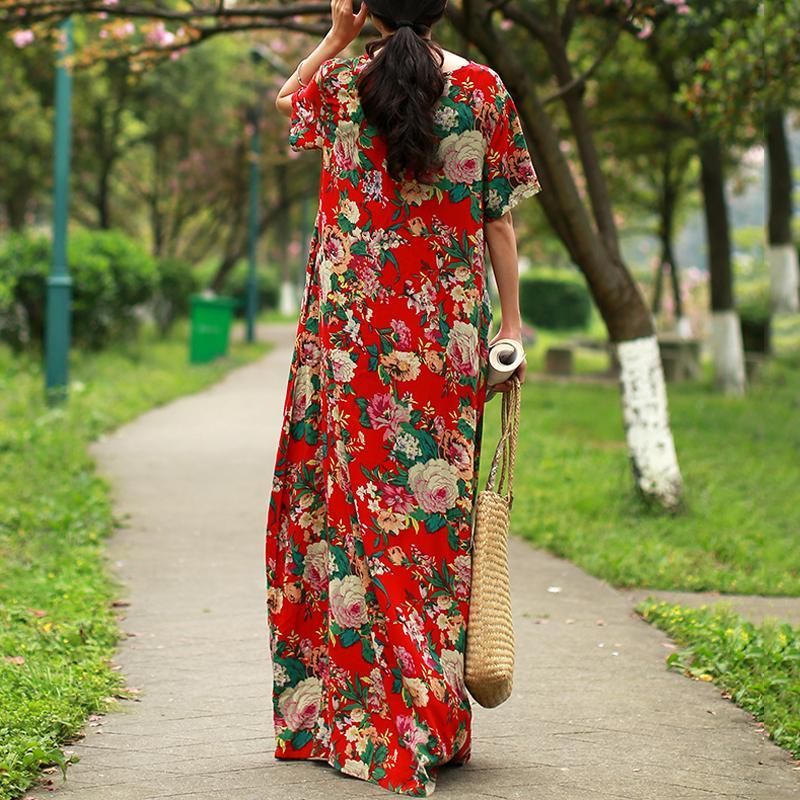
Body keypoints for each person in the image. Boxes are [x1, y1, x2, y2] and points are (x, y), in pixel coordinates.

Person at [265, 0, 541, 795]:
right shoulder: (485, 91)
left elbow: (289, 104)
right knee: (429, 529)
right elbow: (499, 225)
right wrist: (512, 330)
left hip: (351, 344)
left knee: (353, 521)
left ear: (372, 7)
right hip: (443, 344)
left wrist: (335, 36)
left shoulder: (347, 84)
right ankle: (426, 718)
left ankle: (359, 719)